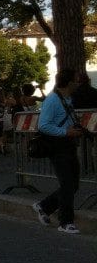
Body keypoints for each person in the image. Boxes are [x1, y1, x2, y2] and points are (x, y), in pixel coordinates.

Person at [32, 68, 86, 235]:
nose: (78, 83)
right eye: (76, 80)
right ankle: (66, 222)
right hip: (57, 146)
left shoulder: (67, 99)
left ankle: (44, 206)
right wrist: (65, 132)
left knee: (73, 185)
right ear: (69, 82)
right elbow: (43, 125)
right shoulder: (53, 100)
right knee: (67, 184)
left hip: (68, 145)